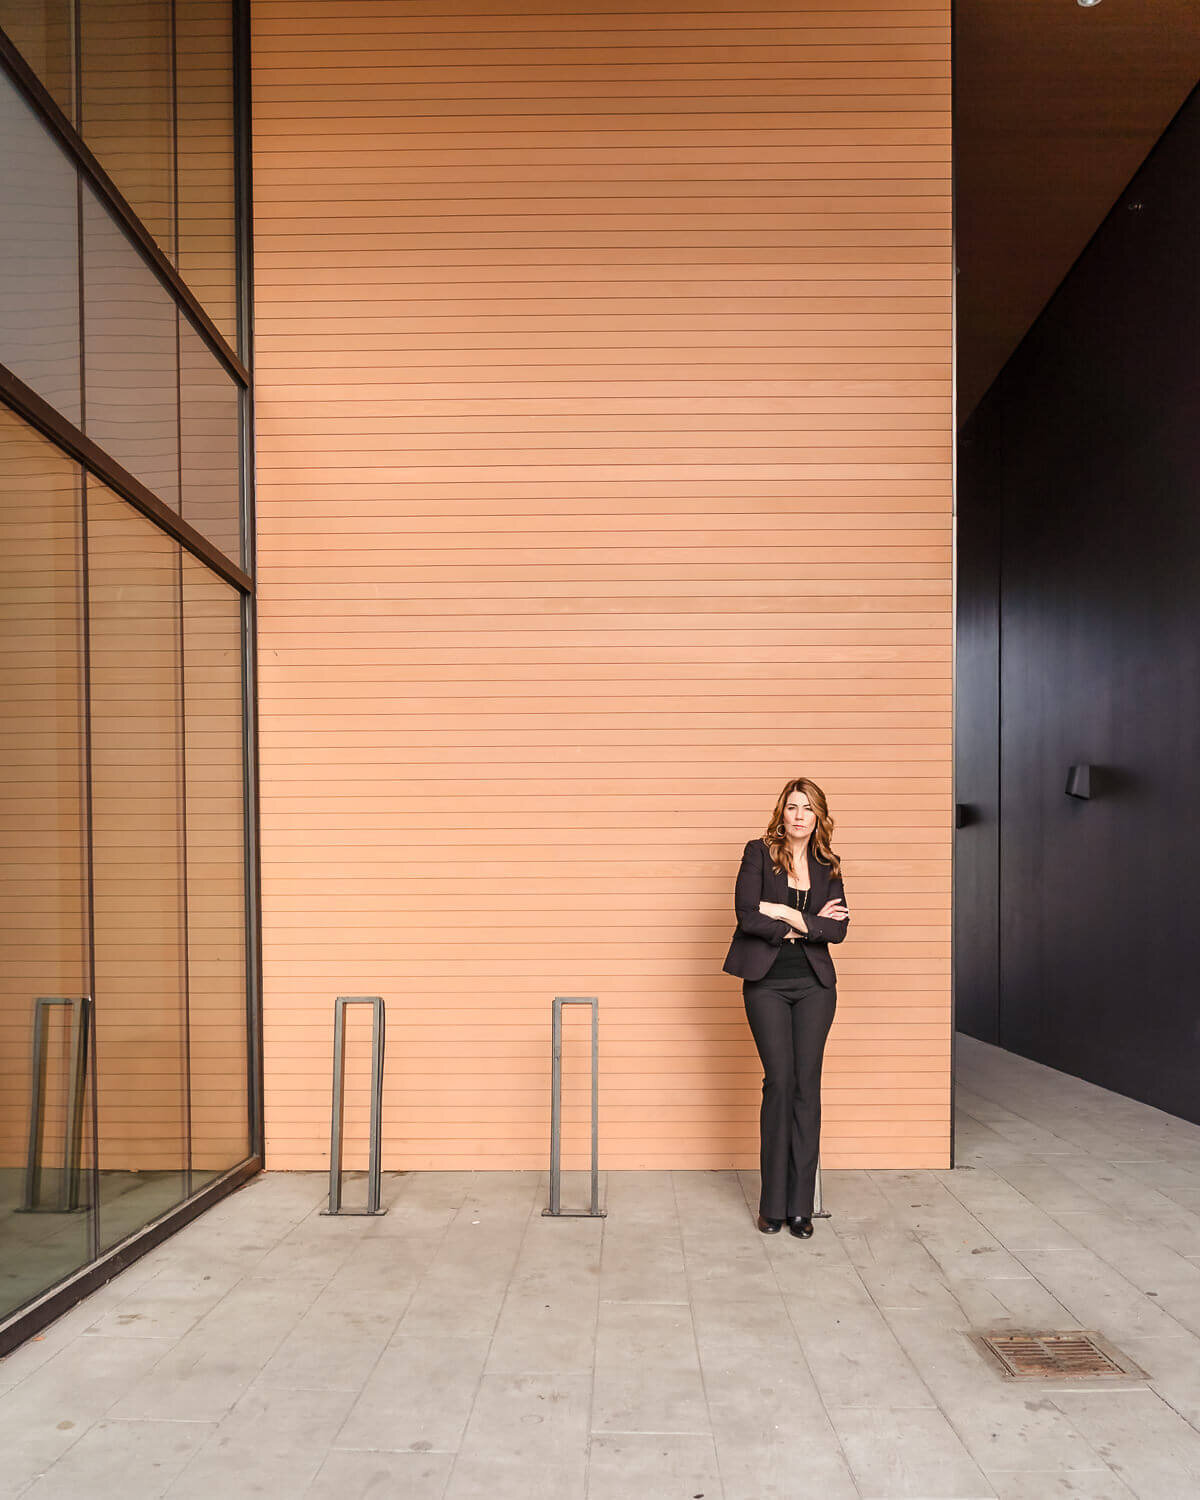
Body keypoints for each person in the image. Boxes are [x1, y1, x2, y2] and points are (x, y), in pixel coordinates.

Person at [722, 778, 849, 1238]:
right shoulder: (759, 852)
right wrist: (806, 922)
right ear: (783, 812)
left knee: (806, 1088)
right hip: (767, 985)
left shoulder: (827, 864)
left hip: (815, 986)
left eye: (808, 809)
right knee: (780, 1083)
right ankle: (771, 1205)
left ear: (818, 817)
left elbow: (837, 932)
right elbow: (746, 914)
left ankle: (801, 1208)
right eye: (793, 807)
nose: (799, 815)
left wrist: (788, 915)